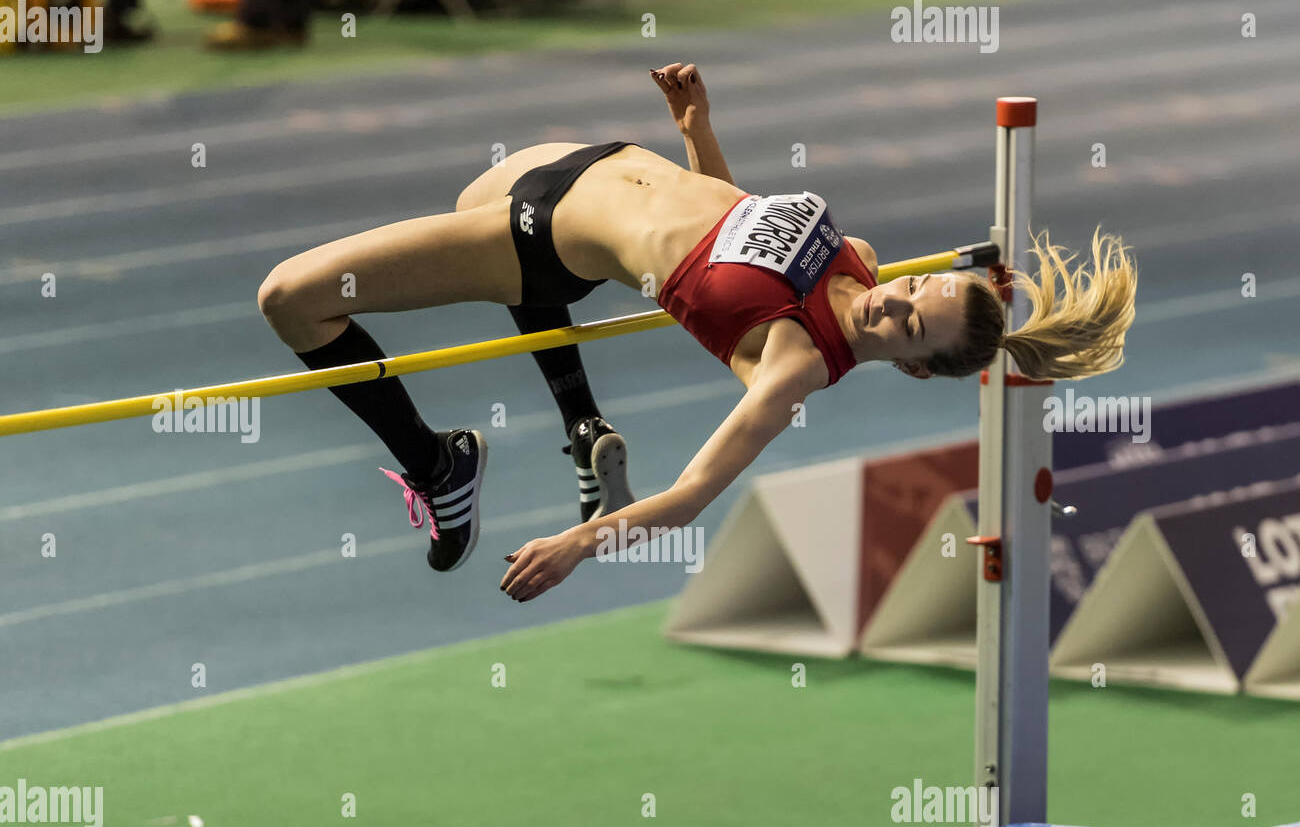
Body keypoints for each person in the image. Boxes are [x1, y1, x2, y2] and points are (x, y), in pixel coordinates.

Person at [255, 63, 1137, 599]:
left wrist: (578, 544)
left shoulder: (791, 365)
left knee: (292, 297)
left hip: (546, 241)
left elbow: (687, 496)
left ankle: (435, 465)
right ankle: (580, 428)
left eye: (909, 326)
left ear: (909, 367)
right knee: (459, 206)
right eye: (919, 291)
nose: (892, 303)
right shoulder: (859, 258)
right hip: (593, 161)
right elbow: (732, 216)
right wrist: (697, 133)